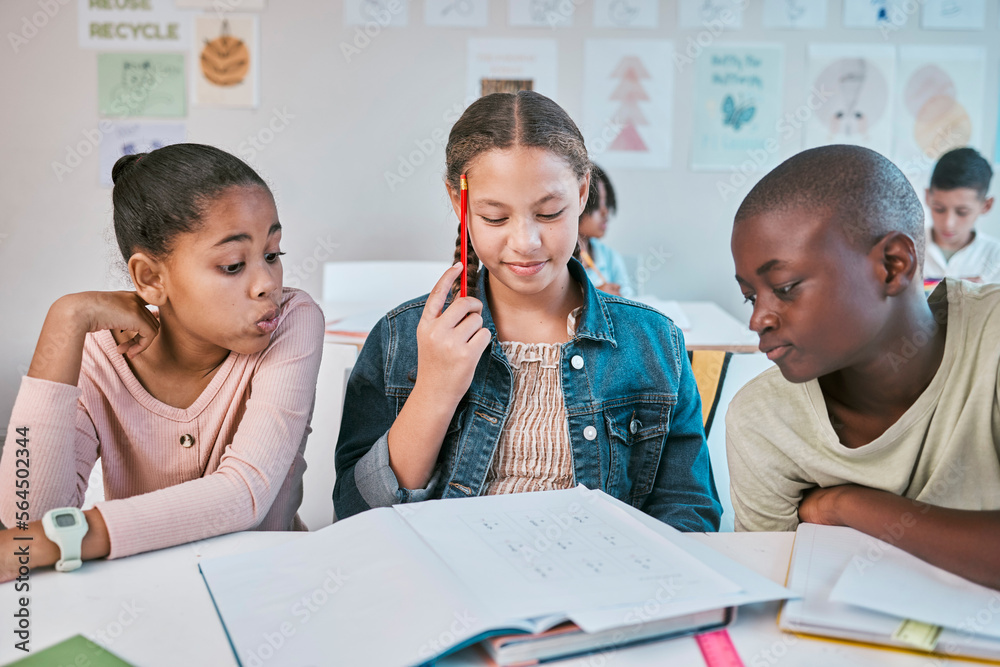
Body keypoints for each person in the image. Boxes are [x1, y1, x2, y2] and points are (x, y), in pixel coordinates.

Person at [334, 91, 721, 531]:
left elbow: (691, 513)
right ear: (459, 201)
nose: (525, 242)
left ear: (581, 193)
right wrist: (435, 391)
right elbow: (354, 517)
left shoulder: (653, 344)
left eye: (550, 212)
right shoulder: (400, 339)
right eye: (495, 218)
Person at [0, 144, 324, 579]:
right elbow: (29, 515)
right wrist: (66, 318)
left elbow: (244, 494)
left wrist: (64, 538)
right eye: (232, 265)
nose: (267, 283)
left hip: (272, 584)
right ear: (150, 278)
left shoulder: (292, 322)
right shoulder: (99, 358)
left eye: (272, 254)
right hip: (140, 596)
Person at [727, 144, 1000, 589]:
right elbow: (769, 595)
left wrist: (847, 506)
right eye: (750, 295)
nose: (758, 318)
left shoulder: (993, 342)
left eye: (786, 286)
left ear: (893, 266)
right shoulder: (763, 420)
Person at [923, 147, 1000, 289]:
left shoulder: (996, 258)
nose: (948, 223)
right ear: (927, 197)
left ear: (986, 205)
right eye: (939, 209)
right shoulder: (904, 247)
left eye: (962, 212)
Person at [577, 164, 635, 297]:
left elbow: (629, 301)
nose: (605, 211)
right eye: (597, 204)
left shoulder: (611, 257)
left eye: (606, 203)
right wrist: (593, 296)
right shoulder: (558, 259)